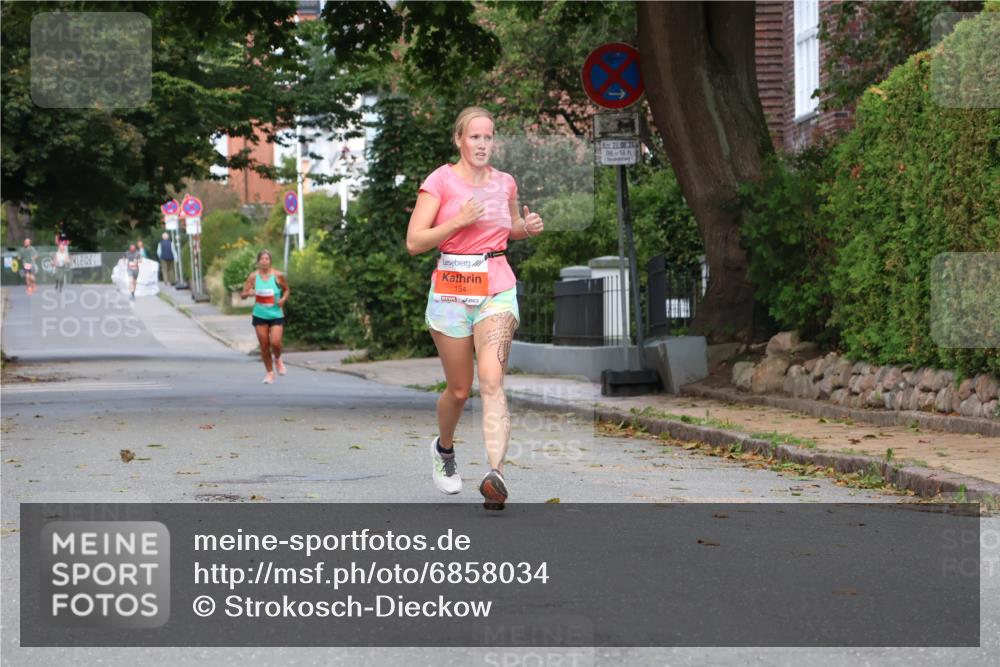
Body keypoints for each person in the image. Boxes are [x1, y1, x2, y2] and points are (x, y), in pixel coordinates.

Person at [405, 106, 544, 510]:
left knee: (492, 380)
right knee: (460, 389)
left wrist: (526, 228)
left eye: (488, 137)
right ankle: (444, 450)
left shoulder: (505, 183)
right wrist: (458, 222)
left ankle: (495, 474)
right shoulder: (440, 181)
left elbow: (510, 227)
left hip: (496, 287)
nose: (482, 144)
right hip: (450, 290)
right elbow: (415, 242)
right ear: (459, 140)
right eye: (475, 137)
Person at [240, 250, 290, 384]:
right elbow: (242, 294)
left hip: (275, 314)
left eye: (267, 259)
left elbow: (287, 290)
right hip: (260, 315)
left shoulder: (278, 275)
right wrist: (248, 293)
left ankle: (278, 359)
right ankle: (269, 373)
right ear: (258, 262)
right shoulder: (253, 277)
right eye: (262, 259)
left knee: (275, 342)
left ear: (270, 261)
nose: (264, 261)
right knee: (264, 345)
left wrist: (283, 299)